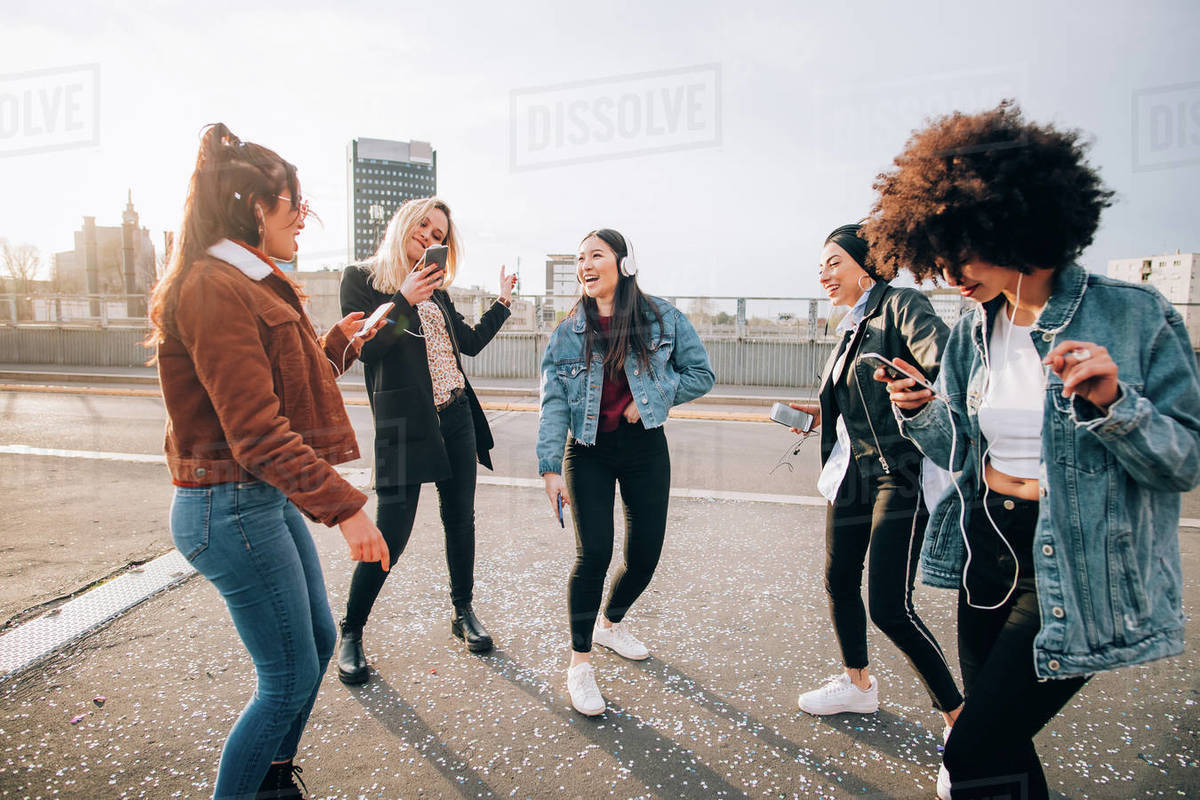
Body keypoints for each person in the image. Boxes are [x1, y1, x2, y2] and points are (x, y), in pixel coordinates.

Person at [865, 101, 1200, 800]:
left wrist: (1116, 404)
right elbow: (961, 448)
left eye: (965, 247)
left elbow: (1184, 461)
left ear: (1016, 223)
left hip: (1072, 565)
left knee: (972, 749)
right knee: (1000, 751)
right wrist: (924, 413)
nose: (950, 272)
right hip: (986, 547)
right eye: (939, 252)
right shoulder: (972, 330)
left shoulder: (1135, 315)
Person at [149, 123, 390, 800]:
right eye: (295, 205)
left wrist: (337, 346)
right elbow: (254, 432)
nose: (303, 219)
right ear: (257, 207)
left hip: (255, 501)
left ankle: (271, 784)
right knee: (285, 677)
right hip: (227, 507)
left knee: (309, 652)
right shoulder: (212, 285)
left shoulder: (246, 281)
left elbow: (276, 386)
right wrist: (346, 511)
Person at [790, 225, 963, 792]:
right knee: (838, 581)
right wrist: (815, 414)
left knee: (889, 605)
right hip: (855, 475)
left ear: (866, 265)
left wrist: (927, 387)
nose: (823, 274)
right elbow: (853, 405)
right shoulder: (847, 330)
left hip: (903, 475)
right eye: (820, 265)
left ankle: (961, 727)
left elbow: (943, 364)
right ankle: (858, 686)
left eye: (833, 261)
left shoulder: (900, 306)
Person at [335, 196, 517, 684]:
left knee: (460, 519)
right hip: (402, 423)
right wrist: (403, 299)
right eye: (423, 226)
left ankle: (463, 612)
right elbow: (364, 347)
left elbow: (469, 343)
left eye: (439, 235)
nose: (429, 237)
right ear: (403, 223)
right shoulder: (363, 278)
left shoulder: (437, 290)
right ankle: (351, 633)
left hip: (454, 413)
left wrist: (502, 302)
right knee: (391, 532)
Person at [536, 228, 715, 716]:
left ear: (624, 263)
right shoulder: (568, 330)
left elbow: (702, 374)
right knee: (593, 555)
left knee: (644, 556)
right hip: (587, 451)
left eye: (596, 255)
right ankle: (579, 664)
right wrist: (550, 468)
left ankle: (610, 624)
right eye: (580, 258)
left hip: (644, 448)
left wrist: (650, 397)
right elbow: (553, 402)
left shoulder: (664, 318)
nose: (585, 265)